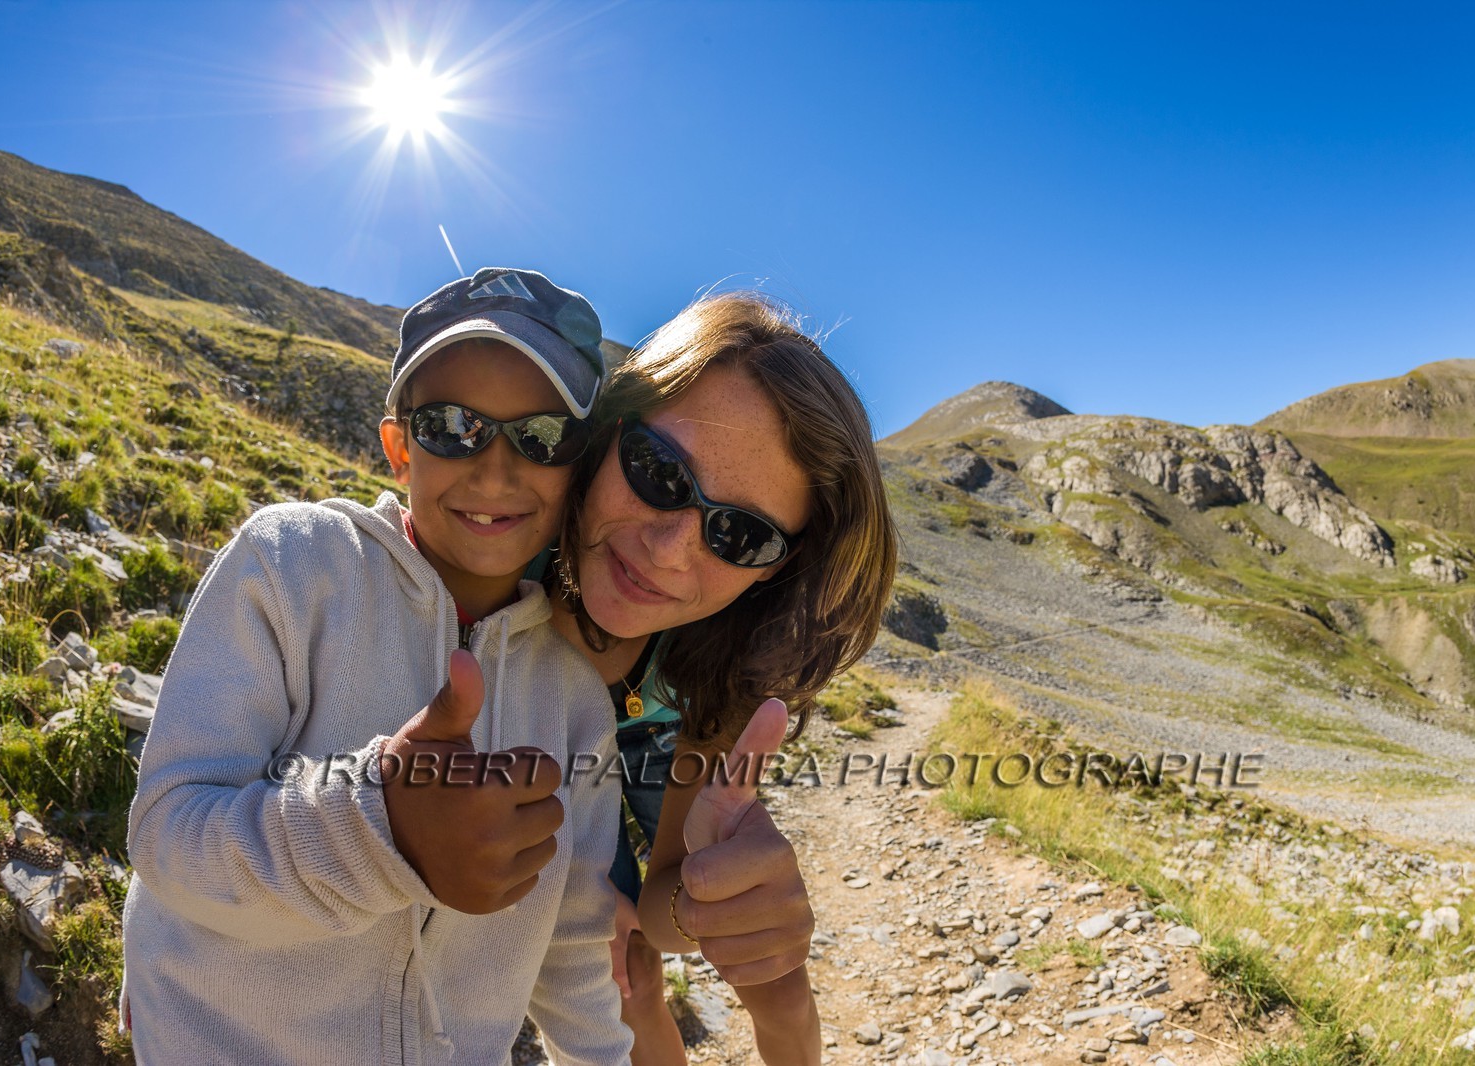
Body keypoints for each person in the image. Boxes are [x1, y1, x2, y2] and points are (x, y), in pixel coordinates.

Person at [120, 267, 634, 1064]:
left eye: (541, 438)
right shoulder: (290, 566)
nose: (494, 471)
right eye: (452, 427)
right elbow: (168, 838)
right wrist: (377, 828)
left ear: (580, 469)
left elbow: (572, 944)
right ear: (399, 448)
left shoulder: (575, 701)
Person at [546, 293, 899, 1064]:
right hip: (542, 753)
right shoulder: (502, 568)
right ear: (608, 432)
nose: (670, 551)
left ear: (779, 570)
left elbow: (667, 910)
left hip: (659, 731)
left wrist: (699, 896)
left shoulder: (724, 654)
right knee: (620, 974)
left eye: (739, 535)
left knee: (774, 973)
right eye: (659, 471)